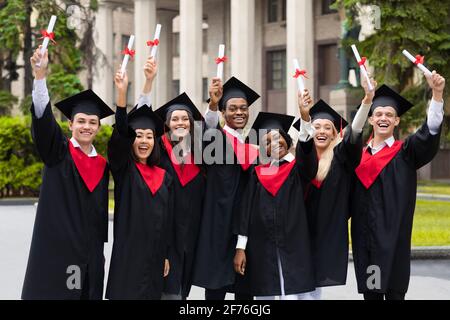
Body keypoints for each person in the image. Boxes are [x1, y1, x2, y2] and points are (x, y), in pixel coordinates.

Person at [22, 46, 114, 299]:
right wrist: (40, 77)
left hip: (91, 257)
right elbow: (43, 121)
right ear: (70, 124)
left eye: (92, 122)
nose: (86, 126)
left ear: (98, 127)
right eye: (81, 121)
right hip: (59, 255)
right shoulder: (58, 153)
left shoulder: (102, 165)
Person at [351, 71, 446, 300]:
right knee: (372, 293)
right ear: (371, 119)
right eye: (379, 114)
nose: (383, 118)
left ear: (397, 120)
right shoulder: (356, 157)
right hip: (368, 245)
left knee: (394, 294)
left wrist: (437, 93)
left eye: (389, 114)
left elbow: (429, 131)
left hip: (395, 244)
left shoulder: (406, 153)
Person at [233, 91, 319, 300]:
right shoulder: (257, 173)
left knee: (297, 295)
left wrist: (305, 118)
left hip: (295, 245)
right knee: (266, 294)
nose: (274, 143)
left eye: (277, 138)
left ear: (287, 140)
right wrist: (241, 248)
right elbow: (245, 212)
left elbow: (308, 156)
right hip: (262, 248)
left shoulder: (298, 169)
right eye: (268, 142)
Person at [295, 78, 376, 299]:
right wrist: (304, 118)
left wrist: (367, 101)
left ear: (334, 134)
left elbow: (354, 133)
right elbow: (305, 158)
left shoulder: (341, 158)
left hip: (327, 232)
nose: (321, 131)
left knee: (313, 290)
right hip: (298, 232)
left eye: (327, 128)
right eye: (316, 127)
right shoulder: (301, 158)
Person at [105, 68, 173, 300]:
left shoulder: (165, 176)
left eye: (149, 136)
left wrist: (164, 254)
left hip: (154, 261)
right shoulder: (124, 169)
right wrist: (122, 96)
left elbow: (166, 222)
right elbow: (120, 135)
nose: (144, 140)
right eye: (139, 135)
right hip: (128, 260)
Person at [192, 76, 260, 300]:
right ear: (223, 113)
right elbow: (206, 132)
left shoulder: (253, 147)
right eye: (232, 108)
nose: (239, 112)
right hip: (218, 228)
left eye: (243, 108)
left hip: (245, 229)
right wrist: (212, 103)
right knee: (216, 292)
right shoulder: (217, 140)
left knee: (245, 293)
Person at [154, 92, 206, 300]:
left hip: (191, 238)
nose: (181, 122)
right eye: (175, 119)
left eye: (185, 118)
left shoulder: (201, 157)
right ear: (167, 124)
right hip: (166, 236)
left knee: (182, 291)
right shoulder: (157, 153)